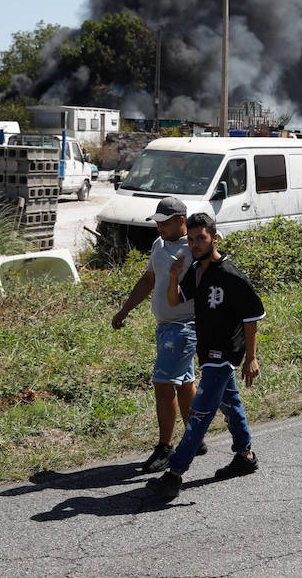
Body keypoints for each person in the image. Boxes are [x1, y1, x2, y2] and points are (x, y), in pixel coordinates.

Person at [149, 212, 265, 504]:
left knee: (199, 415)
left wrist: (251, 357)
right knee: (230, 402)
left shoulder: (230, 274)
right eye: (192, 239)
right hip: (206, 349)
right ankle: (245, 456)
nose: (195, 244)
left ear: (215, 238)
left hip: (225, 353)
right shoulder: (196, 270)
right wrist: (174, 277)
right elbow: (176, 300)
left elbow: (252, 317)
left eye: (201, 238)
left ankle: (174, 475)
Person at [111, 196, 204, 472]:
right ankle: (195, 438)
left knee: (163, 384)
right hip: (165, 326)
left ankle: (165, 448)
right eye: (157, 222)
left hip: (185, 326)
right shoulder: (159, 245)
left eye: (164, 223)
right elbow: (149, 279)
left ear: (181, 221)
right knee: (184, 383)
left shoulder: (193, 248)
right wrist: (125, 309)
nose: (159, 227)